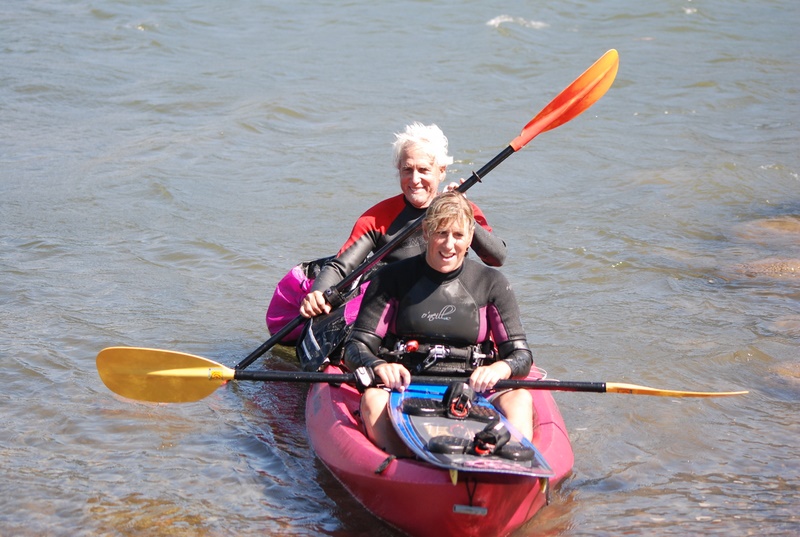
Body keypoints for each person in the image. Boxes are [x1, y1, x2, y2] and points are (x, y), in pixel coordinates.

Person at [342, 191, 534, 456]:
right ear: (426, 232)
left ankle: (510, 464)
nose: (449, 245)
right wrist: (378, 365)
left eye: (458, 235)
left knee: (521, 398)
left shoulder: (492, 283)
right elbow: (355, 348)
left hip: (473, 390)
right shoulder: (390, 279)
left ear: (470, 238)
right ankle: (405, 465)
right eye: (441, 233)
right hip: (405, 388)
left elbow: (521, 357)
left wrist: (502, 367)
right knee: (373, 400)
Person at [297, 122, 507, 320]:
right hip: (398, 307)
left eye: (424, 170)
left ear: (441, 171)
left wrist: (463, 215)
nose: (414, 180)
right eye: (407, 170)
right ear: (399, 170)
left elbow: (497, 258)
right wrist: (317, 294)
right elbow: (340, 266)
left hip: (453, 302)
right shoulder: (377, 218)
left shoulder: (465, 210)